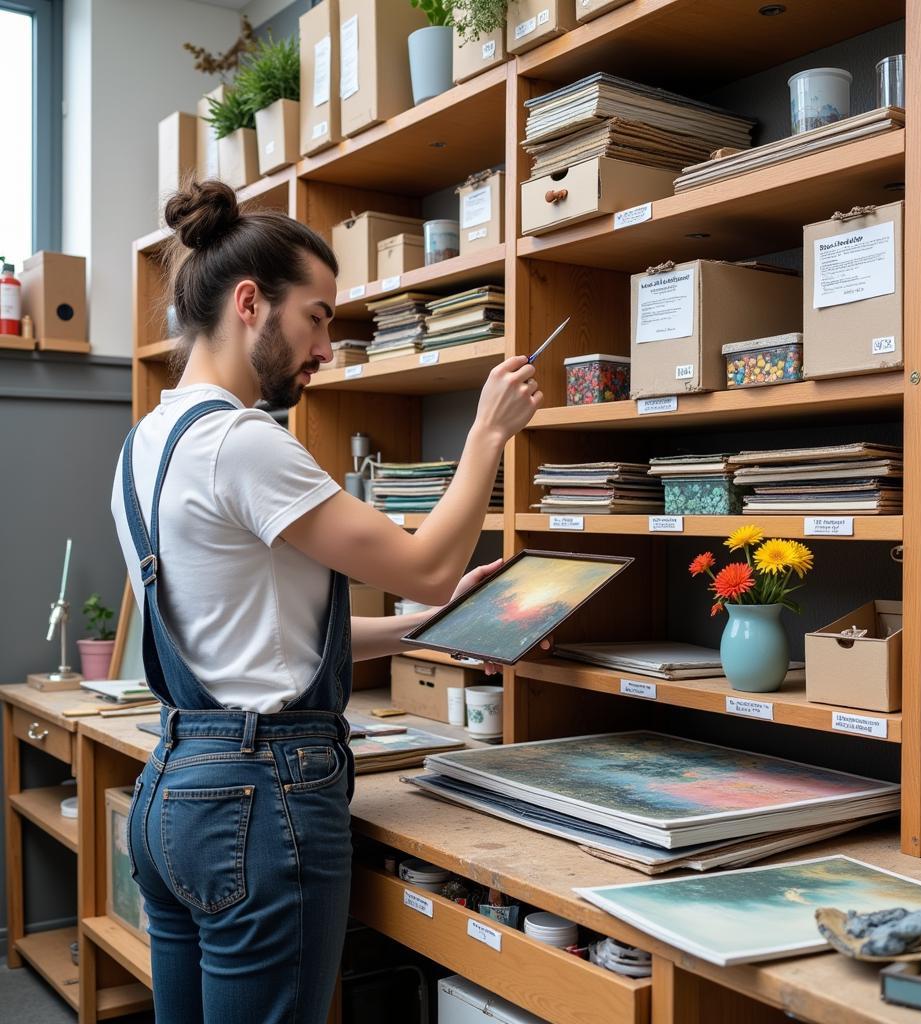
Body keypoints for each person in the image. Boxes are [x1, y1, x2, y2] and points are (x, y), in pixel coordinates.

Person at [109, 178, 542, 1023]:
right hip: (261, 798)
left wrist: (429, 625)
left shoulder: (145, 444)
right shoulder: (243, 444)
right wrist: (487, 435)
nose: (327, 346)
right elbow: (422, 562)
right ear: (249, 303)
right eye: (317, 316)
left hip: (175, 788)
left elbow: (262, 636)